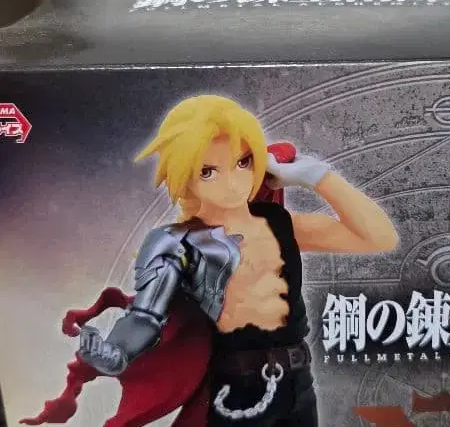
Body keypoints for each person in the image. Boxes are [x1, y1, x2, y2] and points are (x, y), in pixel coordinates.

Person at [26, 95, 399, 427]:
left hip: (299, 382)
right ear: (185, 178)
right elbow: (145, 316)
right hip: (236, 390)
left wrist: (318, 176)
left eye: (243, 162)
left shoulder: (280, 223)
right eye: (207, 171)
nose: (232, 182)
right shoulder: (178, 242)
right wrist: (117, 353)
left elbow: (379, 236)